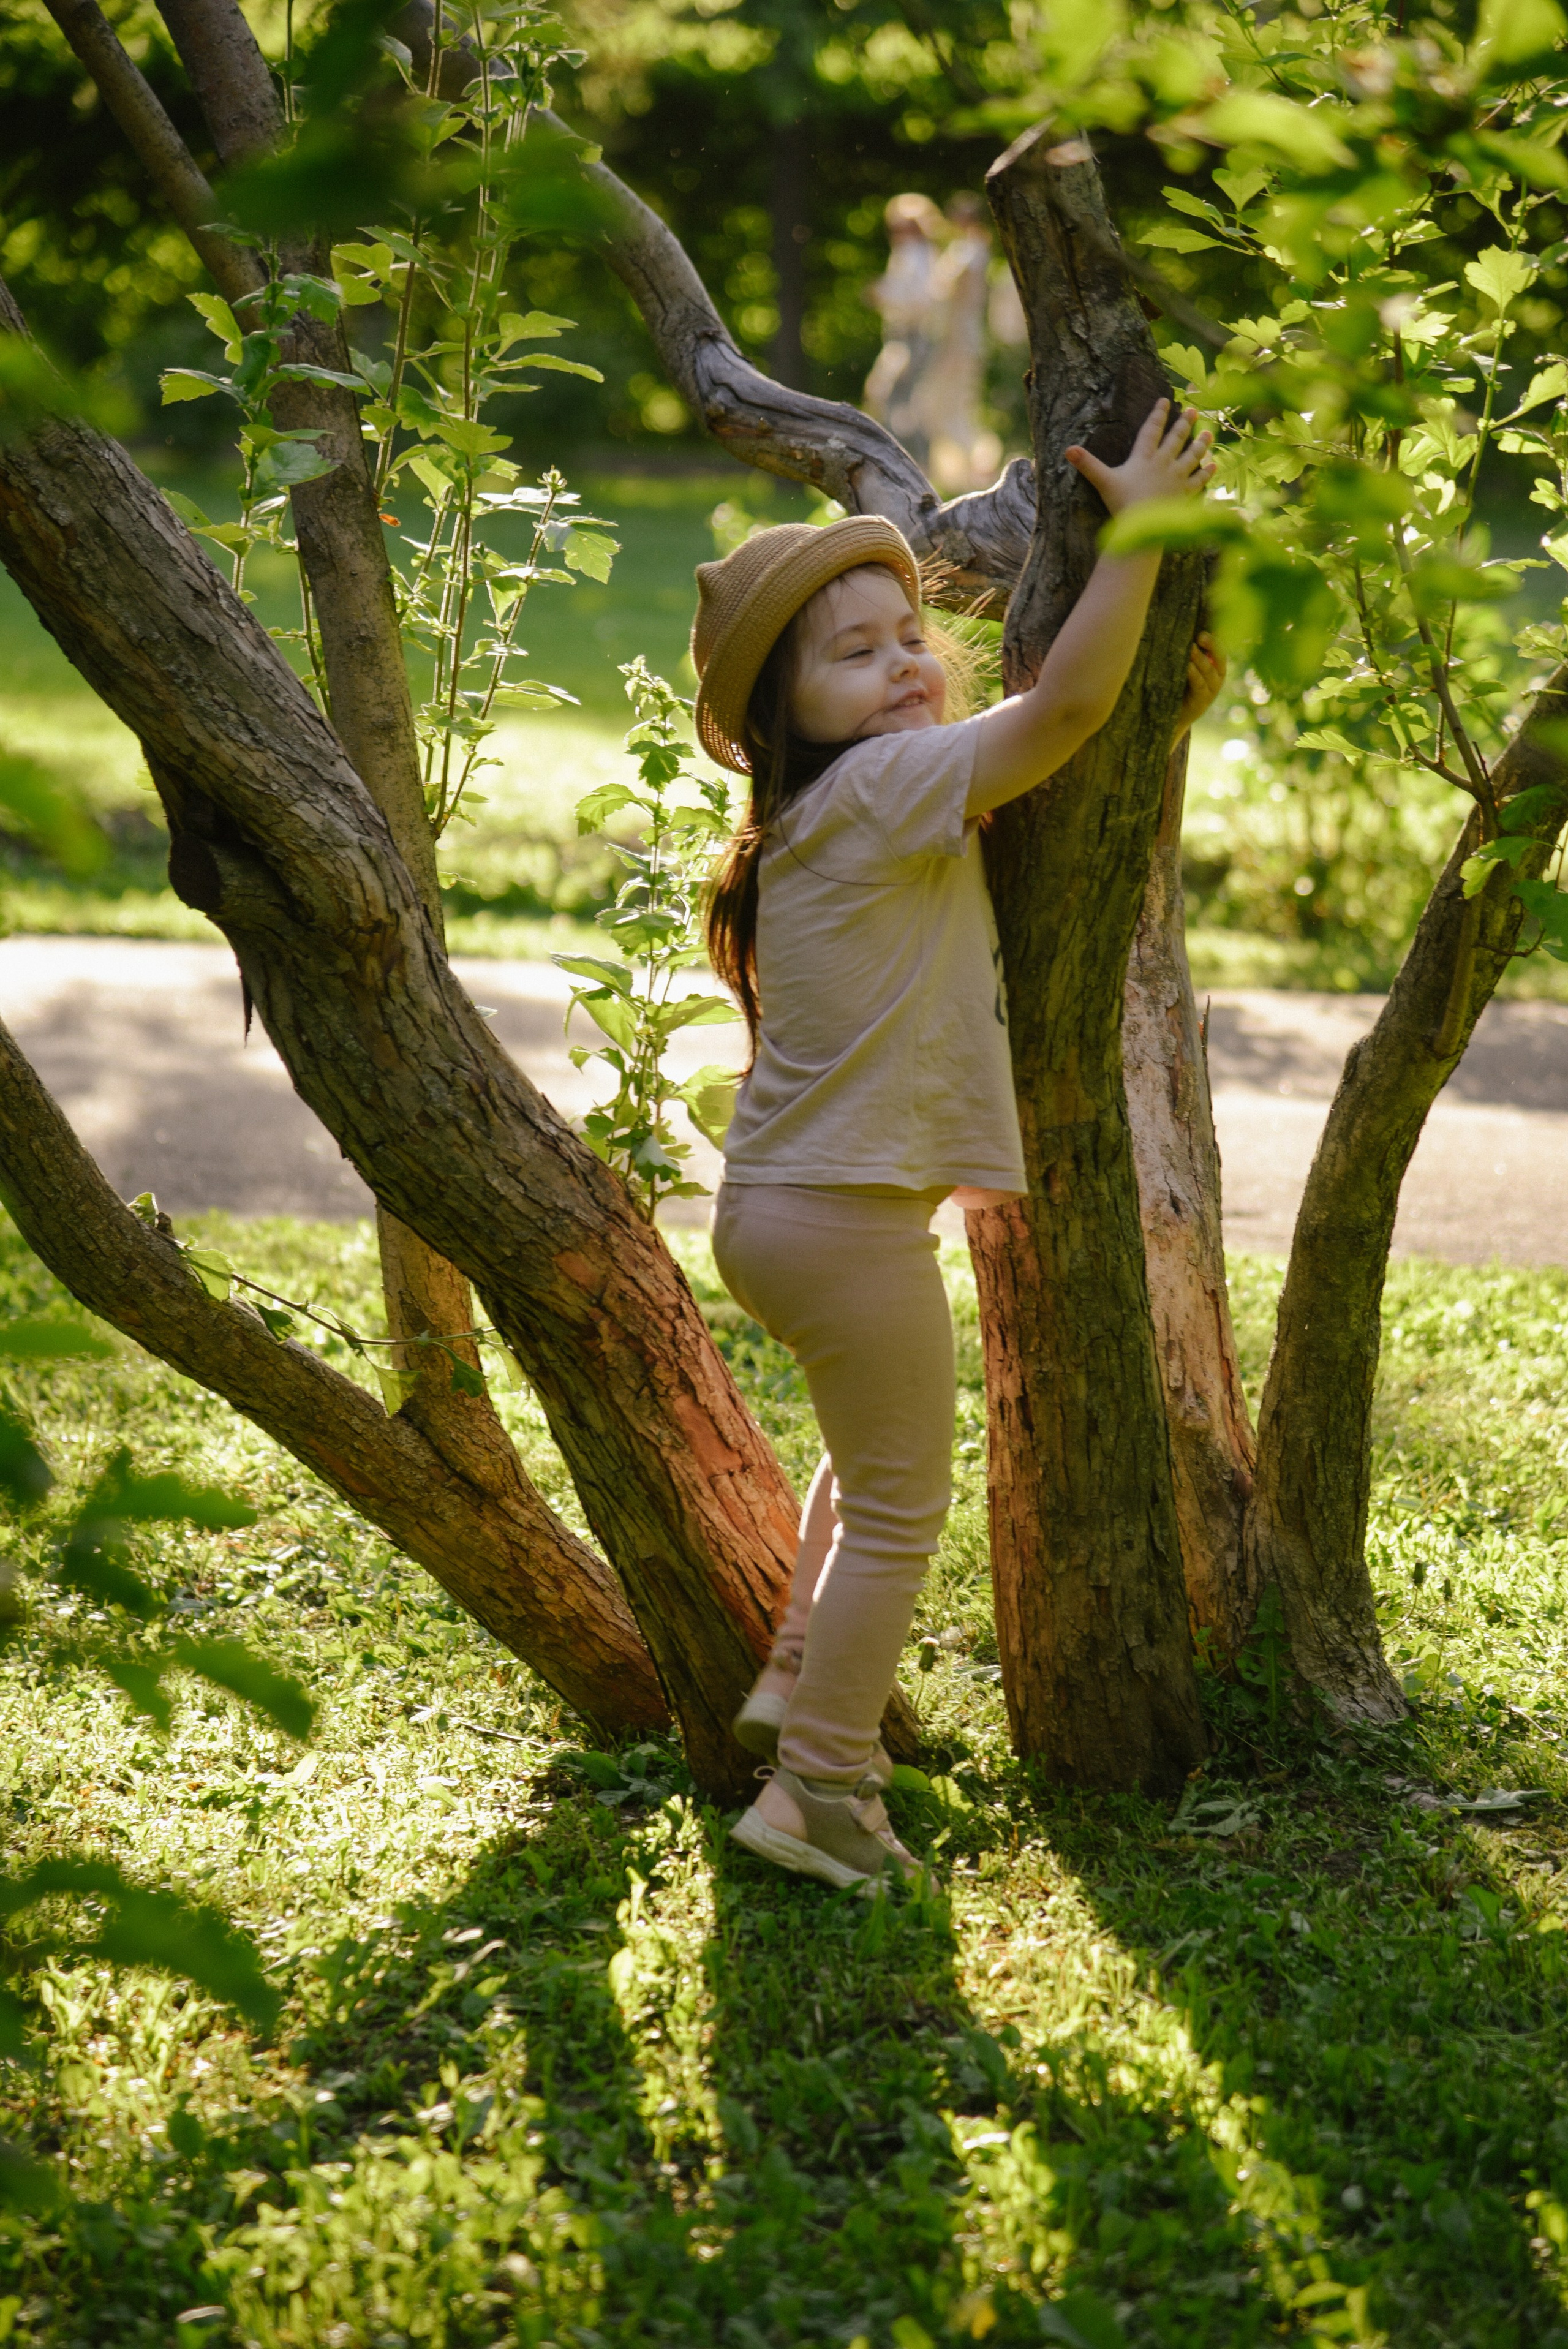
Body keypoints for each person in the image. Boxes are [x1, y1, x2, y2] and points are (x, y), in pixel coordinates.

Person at [692, 401, 1226, 1893]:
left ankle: (799, 1673)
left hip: (793, 1215)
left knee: (870, 1470)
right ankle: (816, 1794)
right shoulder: (872, 791)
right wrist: (1138, 536)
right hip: (842, 1224)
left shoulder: (842, 812)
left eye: (903, 634)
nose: (901, 663)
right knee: (906, 1506)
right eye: (849, 656)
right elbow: (1052, 715)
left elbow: (1050, 758)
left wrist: (1155, 708)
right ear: (784, 718)